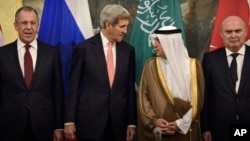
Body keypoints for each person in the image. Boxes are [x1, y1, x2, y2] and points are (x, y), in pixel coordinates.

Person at [64, 4, 137, 141]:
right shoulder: (83, 49)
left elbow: (129, 90)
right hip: (89, 123)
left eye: (126, 26)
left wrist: (131, 122)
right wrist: (69, 121)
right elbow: (73, 87)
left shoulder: (128, 51)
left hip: (119, 124)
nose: (125, 31)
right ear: (108, 25)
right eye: (122, 26)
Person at [0, 6, 64, 141]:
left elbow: (57, 92)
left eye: (33, 23)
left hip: (44, 126)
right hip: (9, 127)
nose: (29, 27)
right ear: (15, 26)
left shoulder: (52, 53)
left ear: (38, 26)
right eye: (24, 23)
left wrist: (59, 126)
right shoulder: (2, 54)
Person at [137, 26, 205, 141]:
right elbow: (143, 97)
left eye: (159, 41)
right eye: (155, 41)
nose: (155, 45)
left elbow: (198, 99)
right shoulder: (151, 66)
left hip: (185, 132)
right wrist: (154, 120)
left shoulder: (193, 66)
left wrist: (180, 124)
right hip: (159, 132)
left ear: (171, 42)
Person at [201, 15, 250, 141]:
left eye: (238, 31)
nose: (233, 35)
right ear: (221, 34)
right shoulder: (210, 59)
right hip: (220, 127)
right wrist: (205, 127)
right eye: (228, 32)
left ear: (245, 32)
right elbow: (205, 96)